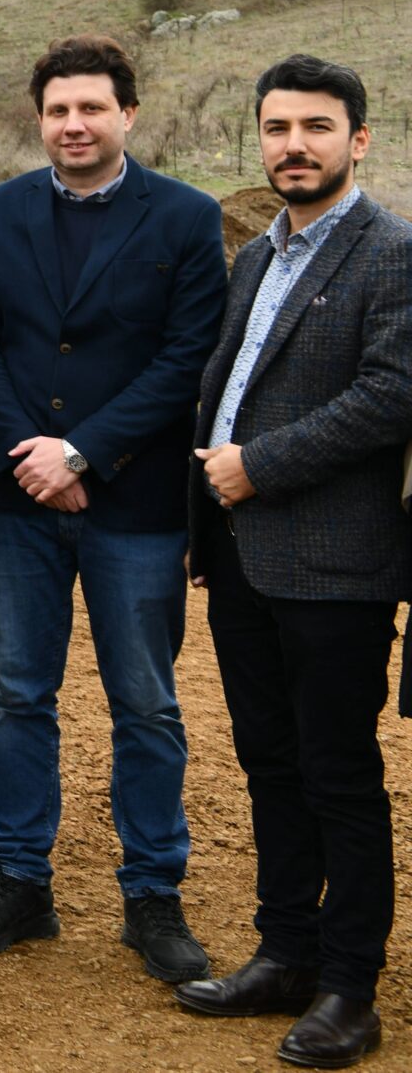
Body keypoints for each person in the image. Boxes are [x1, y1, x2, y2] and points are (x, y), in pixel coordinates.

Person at [0, 34, 227, 983]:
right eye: (59, 109)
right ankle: (20, 880)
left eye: (93, 107)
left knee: (144, 702)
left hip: (136, 501)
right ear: (40, 118)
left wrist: (85, 451)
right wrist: (36, 453)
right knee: (20, 691)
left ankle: (154, 893)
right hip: (17, 498)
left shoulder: (187, 217)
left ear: (128, 114)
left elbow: (186, 359)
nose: (75, 124)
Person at [175, 55, 412, 1070]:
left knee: (337, 776)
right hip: (240, 561)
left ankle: (349, 989)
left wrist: (254, 468)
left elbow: (392, 393)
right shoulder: (256, 256)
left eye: (316, 128)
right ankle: (284, 951)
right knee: (268, 765)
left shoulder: (391, 251)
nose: (293, 146)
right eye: (277, 129)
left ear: (357, 139)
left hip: (334, 565)